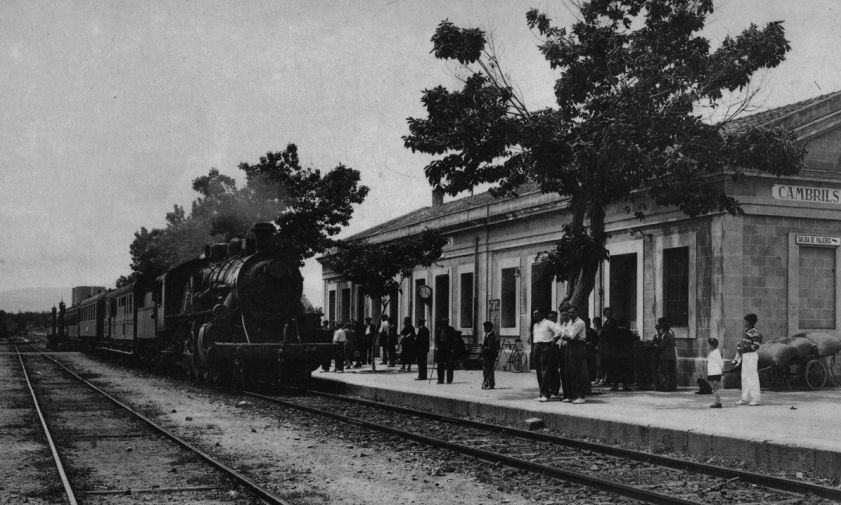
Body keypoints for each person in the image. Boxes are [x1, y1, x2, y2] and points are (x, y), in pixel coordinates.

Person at [559, 305, 588, 404]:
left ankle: (580, 395)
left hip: (578, 346)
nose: (570, 314)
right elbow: (566, 334)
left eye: (572, 312)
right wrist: (565, 335)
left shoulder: (580, 322)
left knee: (578, 371)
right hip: (570, 346)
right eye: (569, 313)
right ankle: (571, 395)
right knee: (569, 372)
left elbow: (571, 336)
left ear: (577, 313)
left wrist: (563, 335)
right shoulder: (570, 322)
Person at [531, 309, 561, 402]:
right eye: (533, 314)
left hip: (546, 346)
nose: (535, 316)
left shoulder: (548, 323)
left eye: (537, 314)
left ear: (541, 314)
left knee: (545, 370)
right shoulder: (535, 325)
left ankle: (546, 394)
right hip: (537, 346)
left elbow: (559, 331)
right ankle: (542, 392)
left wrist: (553, 341)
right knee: (539, 370)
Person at [736, 313, 762, 406]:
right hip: (746, 356)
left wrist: (744, 348)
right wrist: (741, 347)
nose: (744, 323)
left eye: (746, 321)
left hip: (751, 356)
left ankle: (756, 399)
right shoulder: (747, 331)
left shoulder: (754, 332)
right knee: (745, 377)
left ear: (750, 322)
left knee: (752, 377)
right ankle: (745, 398)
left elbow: (756, 346)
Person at [654, 317, 677, 392]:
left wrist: (658, 333)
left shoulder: (666, 334)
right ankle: (669, 386)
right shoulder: (670, 333)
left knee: (665, 372)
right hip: (671, 356)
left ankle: (666, 386)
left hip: (666, 356)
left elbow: (661, 345)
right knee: (669, 372)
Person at [434, 319, 457, 384]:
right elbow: (436, 338)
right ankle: (440, 379)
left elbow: (454, 339)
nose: (444, 324)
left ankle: (449, 380)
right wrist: (437, 345)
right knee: (440, 365)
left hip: (448, 348)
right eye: (443, 322)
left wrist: (452, 348)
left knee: (449, 365)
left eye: (445, 322)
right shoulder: (439, 329)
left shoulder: (451, 329)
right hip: (441, 348)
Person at [707, 337, 724, 408]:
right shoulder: (712, 352)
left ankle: (718, 402)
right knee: (713, 387)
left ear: (712, 346)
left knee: (715, 387)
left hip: (716, 372)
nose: (708, 346)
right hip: (711, 372)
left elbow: (720, 362)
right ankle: (717, 401)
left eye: (709, 345)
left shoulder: (716, 352)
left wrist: (721, 368)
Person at [481, 321, 499, 389]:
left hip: (490, 356)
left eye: (485, 327)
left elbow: (490, 348)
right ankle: (488, 383)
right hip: (487, 355)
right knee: (486, 370)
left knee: (489, 370)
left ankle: (490, 384)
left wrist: (483, 347)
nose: (484, 328)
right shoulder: (487, 334)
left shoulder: (491, 336)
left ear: (489, 327)